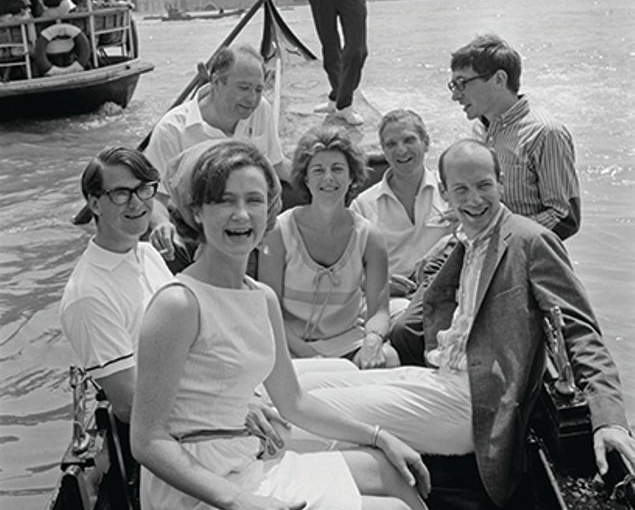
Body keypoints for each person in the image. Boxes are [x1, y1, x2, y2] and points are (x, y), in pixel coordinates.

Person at [130, 139, 562, 510]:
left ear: (272, 209)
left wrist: (379, 436)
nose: (241, 214)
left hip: (245, 468)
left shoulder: (260, 297)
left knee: (385, 468)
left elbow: (295, 404)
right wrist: (237, 503)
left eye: (254, 199)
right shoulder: (178, 304)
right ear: (195, 211)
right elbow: (148, 440)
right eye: (224, 200)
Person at [272, 139, 635, 510]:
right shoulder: (465, 241)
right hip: (441, 376)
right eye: (461, 189)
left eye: (484, 186)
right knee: (300, 383)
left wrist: (610, 420)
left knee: (299, 417)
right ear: (444, 193)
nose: (474, 199)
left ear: (501, 183)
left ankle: (283, 500)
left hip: (474, 405)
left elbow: (581, 331)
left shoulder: (532, 241)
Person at [259, 125, 399, 368]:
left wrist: (373, 340)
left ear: (351, 177)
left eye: (337, 169)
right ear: (305, 178)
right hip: (290, 345)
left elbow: (379, 311)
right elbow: (271, 313)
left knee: (390, 359)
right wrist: (314, 358)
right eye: (318, 170)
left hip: (347, 342)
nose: (328, 178)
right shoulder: (278, 232)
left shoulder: (370, 236)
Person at [145, 45, 290, 261]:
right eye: (244, 88)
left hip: (248, 216)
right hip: (196, 227)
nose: (252, 99)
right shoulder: (172, 130)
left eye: (258, 90)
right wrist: (162, 224)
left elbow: (277, 166)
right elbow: (156, 196)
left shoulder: (262, 110)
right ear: (216, 83)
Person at [59, 146, 172, 423]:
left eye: (144, 189)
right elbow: (130, 405)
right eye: (121, 194)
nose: (137, 203)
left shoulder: (147, 254)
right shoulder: (88, 296)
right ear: (95, 204)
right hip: (179, 429)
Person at [449, 33, 580, 239]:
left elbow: (564, 218)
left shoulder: (545, 133)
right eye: (453, 85)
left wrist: (497, 232)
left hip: (529, 263)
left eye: (462, 83)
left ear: (499, 79)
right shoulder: (478, 131)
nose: (455, 95)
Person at [351, 109, 456, 306]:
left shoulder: (451, 191)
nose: (401, 150)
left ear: (426, 143)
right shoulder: (363, 205)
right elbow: (347, 269)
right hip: (392, 300)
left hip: (443, 291)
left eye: (409, 140)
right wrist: (377, 282)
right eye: (391, 144)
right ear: (383, 150)